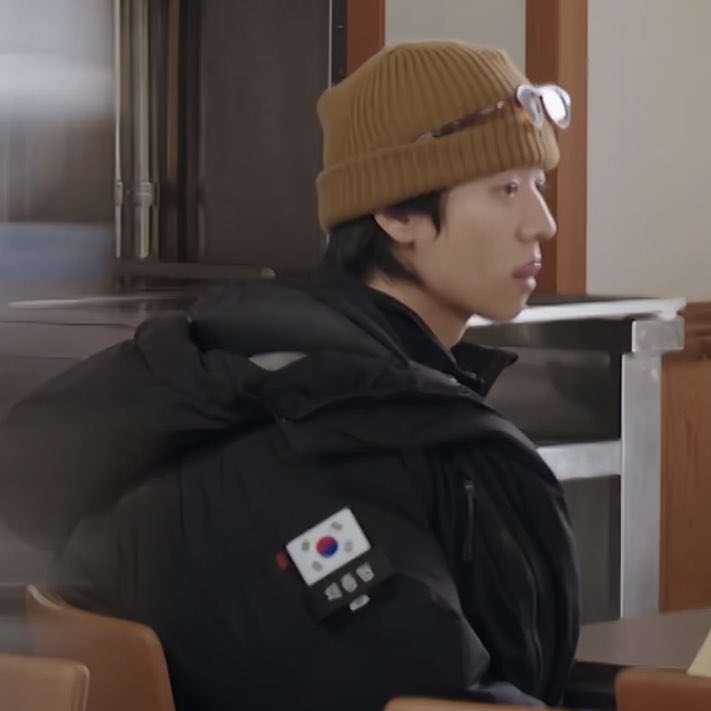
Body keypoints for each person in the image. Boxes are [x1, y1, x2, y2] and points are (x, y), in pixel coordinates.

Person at [0, 41, 579, 710]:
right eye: (505, 189)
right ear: (396, 213)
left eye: (537, 185)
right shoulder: (318, 434)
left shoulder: (346, 392)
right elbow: (420, 694)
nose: (541, 223)